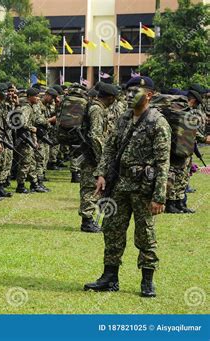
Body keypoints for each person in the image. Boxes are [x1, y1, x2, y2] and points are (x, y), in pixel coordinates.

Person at [84, 76, 171, 298]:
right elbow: (111, 149)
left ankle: (147, 280)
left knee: (145, 235)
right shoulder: (123, 119)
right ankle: (110, 277)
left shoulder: (157, 122)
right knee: (112, 229)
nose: (130, 95)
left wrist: (159, 196)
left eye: (136, 92)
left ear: (149, 95)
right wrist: (102, 174)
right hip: (119, 185)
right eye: (128, 92)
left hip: (143, 187)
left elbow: (163, 162)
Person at [79, 84, 118, 233]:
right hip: (92, 156)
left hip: (94, 154)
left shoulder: (98, 108)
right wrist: (102, 159)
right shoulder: (96, 109)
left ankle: (90, 219)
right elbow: (95, 136)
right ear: (110, 97)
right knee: (90, 187)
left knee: (94, 186)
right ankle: (87, 221)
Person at [16, 87, 43, 193]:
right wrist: (33, 128)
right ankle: (20, 185)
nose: (38, 98)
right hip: (24, 139)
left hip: (29, 138)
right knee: (25, 163)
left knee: (31, 162)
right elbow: (23, 123)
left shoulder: (31, 107)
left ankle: (34, 183)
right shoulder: (26, 108)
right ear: (29, 97)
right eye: (36, 96)